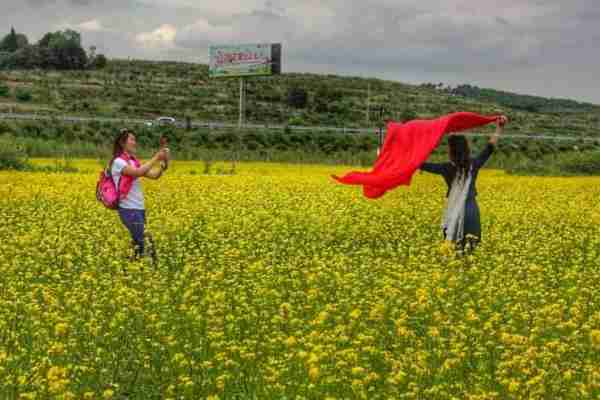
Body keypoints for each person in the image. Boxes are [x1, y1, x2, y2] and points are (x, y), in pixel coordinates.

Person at [420, 116, 508, 252]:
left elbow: (419, 164)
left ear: (451, 151)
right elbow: (489, 148)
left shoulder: (445, 168)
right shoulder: (474, 164)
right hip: (471, 210)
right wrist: (499, 128)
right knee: (471, 250)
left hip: (453, 211)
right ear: (466, 148)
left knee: (453, 252)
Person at [110, 128, 169, 262]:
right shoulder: (118, 162)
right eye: (131, 139)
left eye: (134, 139)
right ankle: (153, 269)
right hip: (128, 209)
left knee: (138, 244)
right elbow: (137, 172)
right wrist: (156, 157)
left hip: (138, 208)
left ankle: (127, 270)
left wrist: (162, 167)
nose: (134, 142)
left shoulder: (133, 161)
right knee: (147, 243)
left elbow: (153, 176)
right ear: (122, 143)